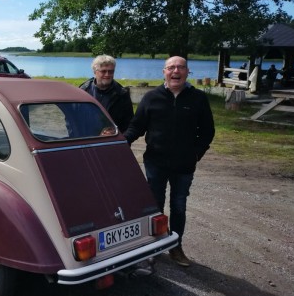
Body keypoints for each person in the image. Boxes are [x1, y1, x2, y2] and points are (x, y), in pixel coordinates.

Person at [124, 56, 215, 267]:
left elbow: (208, 131)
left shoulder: (198, 98)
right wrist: (121, 141)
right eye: (171, 67)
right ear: (164, 72)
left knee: (179, 206)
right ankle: (153, 247)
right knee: (155, 206)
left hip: (184, 165)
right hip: (155, 162)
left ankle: (176, 247)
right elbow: (137, 126)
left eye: (181, 67)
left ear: (187, 72)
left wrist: (196, 153)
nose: (176, 71)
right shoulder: (151, 97)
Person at [79, 55, 134, 132]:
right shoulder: (82, 91)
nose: (107, 75)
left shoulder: (122, 94)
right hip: (87, 139)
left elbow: (129, 123)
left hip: (112, 140)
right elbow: (72, 118)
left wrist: (116, 133)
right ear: (95, 72)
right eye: (103, 71)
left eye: (111, 71)